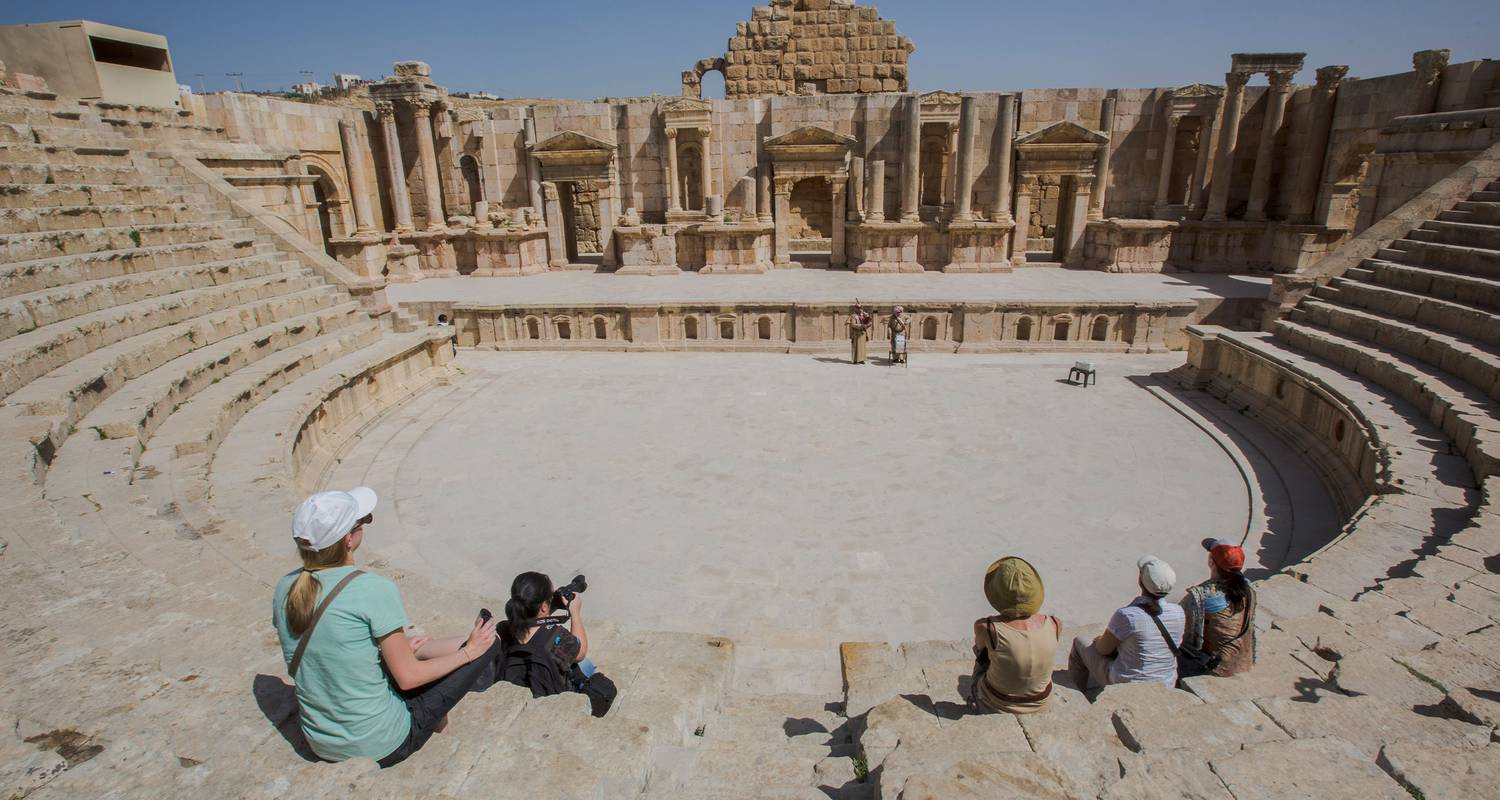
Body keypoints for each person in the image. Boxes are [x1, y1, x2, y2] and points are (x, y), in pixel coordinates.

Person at [272, 487, 501, 768]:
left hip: (321, 739)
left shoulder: (285, 587)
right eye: (364, 520)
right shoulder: (372, 589)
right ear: (348, 539)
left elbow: (331, 645)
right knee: (490, 643)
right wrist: (469, 652)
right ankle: (443, 752)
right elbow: (409, 678)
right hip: (380, 742)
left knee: (414, 651)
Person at [496, 571, 616, 717]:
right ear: (544, 607)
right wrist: (575, 613)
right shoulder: (554, 637)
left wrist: (551, 605)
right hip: (552, 691)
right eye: (550, 597)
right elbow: (581, 652)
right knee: (587, 664)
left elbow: (534, 623)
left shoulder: (504, 628)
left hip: (521, 679)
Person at [1069, 556, 1185, 690]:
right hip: (1166, 682)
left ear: (1140, 581)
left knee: (1080, 642)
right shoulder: (1179, 612)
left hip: (1127, 684)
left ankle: (1077, 692)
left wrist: (1099, 640)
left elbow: (1102, 649)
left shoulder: (1128, 615)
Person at [969, 556, 1060, 714]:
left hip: (1000, 703)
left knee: (982, 656)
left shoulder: (986, 627)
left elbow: (981, 652)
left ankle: (976, 699)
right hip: (1042, 700)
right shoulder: (1055, 624)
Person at [1181, 539, 1257, 677]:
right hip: (1243, 661)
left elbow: (1180, 624)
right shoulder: (1249, 591)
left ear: (1211, 561)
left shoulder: (1202, 595)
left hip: (1215, 667)